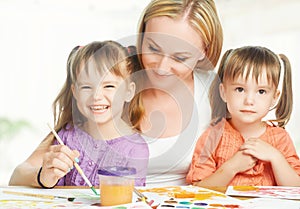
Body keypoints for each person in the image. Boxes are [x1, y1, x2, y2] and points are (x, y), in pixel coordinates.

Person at [9, 41, 149, 187]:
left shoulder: (135, 149)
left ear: (129, 91)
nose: (96, 96)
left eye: (109, 86)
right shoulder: (65, 135)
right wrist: (43, 176)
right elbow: (16, 177)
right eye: (86, 86)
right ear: (75, 92)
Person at [127, 0, 223, 186]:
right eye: (153, 48)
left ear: (204, 50)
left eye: (180, 57)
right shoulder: (115, 79)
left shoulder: (216, 91)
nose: (162, 68)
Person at [186, 46, 300, 186]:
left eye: (261, 91)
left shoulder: (280, 138)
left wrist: (275, 157)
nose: (249, 101)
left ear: (275, 97)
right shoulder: (213, 137)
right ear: (223, 92)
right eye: (240, 89)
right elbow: (198, 188)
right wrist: (232, 167)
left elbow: (296, 188)